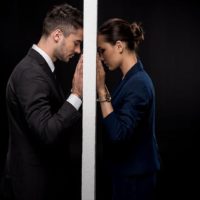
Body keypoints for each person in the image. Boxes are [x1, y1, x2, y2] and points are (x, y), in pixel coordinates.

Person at [5, 3, 83, 200]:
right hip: (33, 188)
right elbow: (46, 133)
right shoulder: (31, 73)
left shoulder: (40, 69)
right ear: (57, 35)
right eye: (76, 42)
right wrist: (76, 95)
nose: (79, 50)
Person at [96, 18, 160, 200]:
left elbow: (118, 133)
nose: (101, 57)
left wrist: (101, 89)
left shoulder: (138, 83)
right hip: (127, 175)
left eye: (102, 51)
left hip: (134, 180)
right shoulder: (130, 79)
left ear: (118, 46)